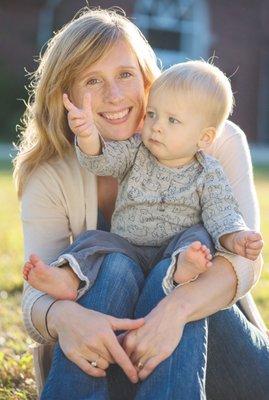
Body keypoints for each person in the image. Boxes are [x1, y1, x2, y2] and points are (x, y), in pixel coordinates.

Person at [13, 7, 269, 400]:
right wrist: (67, 317)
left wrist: (176, 309)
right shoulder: (49, 174)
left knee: (187, 259)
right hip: (101, 351)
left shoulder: (212, 140)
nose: (114, 96)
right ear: (64, 95)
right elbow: (36, 292)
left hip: (211, 338)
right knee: (112, 265)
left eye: (125, 75)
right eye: (93, 80)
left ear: (147, 74)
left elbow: (242, 260)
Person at [22, 60, 264, 303]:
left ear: (205, 137)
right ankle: (69, 277)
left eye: (172, 120)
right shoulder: (136, 149)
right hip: (126, 248)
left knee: (199, 237)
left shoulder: (208, 171)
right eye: (152, 114)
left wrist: (235, 237)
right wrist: (87, 135)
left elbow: (221, 212)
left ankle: (184, 268)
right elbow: (103, 161)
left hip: (174, 250)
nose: (156, 126)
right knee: (93, 240)